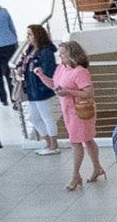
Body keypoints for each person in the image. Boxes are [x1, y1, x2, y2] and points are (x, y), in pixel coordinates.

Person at [44, 40, 103, 192]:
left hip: (80, 111)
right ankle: (97, 167)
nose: (60, 56)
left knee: (76, 142)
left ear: (72, 54)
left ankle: (75, 175)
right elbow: (55, 85)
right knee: (88, 139)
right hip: (69, 111)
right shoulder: (61, 68)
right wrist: (41, 76)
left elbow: (88, 93)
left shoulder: (80, 71)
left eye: (63, 53)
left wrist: (68, 92)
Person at [15, 25, 61, 154]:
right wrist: (20, 68)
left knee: (46, 117)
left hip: (41, 90)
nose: (28, 37)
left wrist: (42, 86)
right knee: (33, 118)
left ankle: (54, 144)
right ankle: (48, 142)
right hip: (31, 89)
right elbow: (23, 63)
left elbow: (48, 71)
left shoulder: (45, 52)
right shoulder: (30, 50)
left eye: (30, 34)